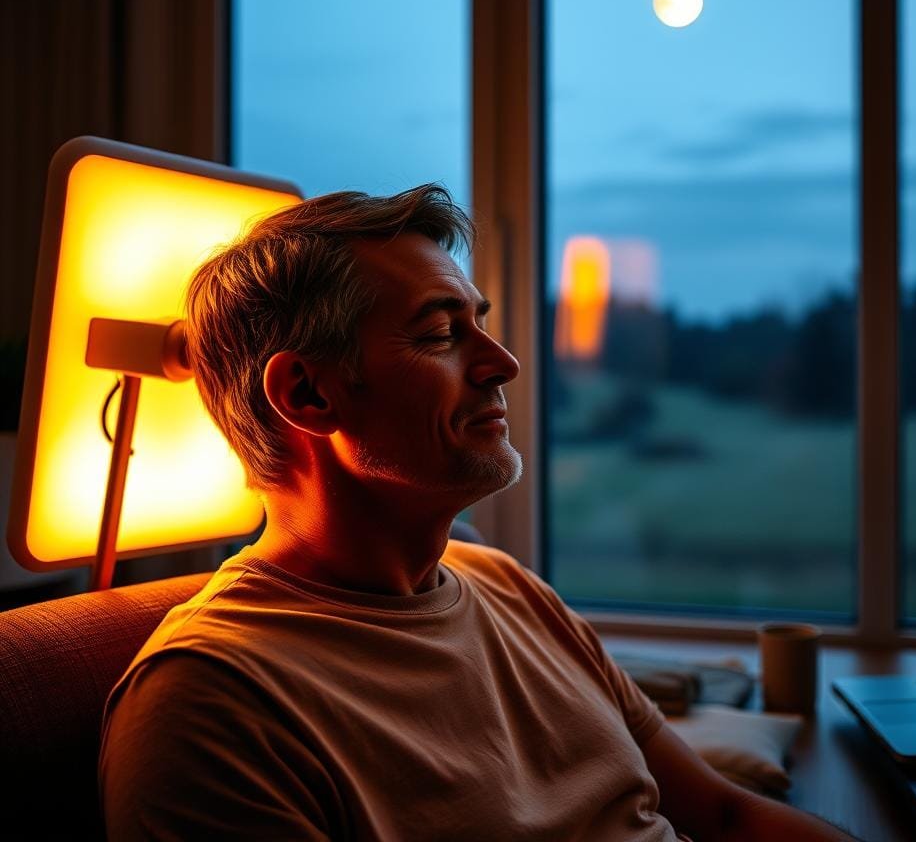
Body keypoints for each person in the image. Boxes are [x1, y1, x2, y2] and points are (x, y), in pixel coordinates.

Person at [99, 185, 856, 841]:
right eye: (439, 334)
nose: (503, 363)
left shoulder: (505, 586)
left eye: (479, 323)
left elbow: (726, 819)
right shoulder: (209, 709)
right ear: (307, 395)